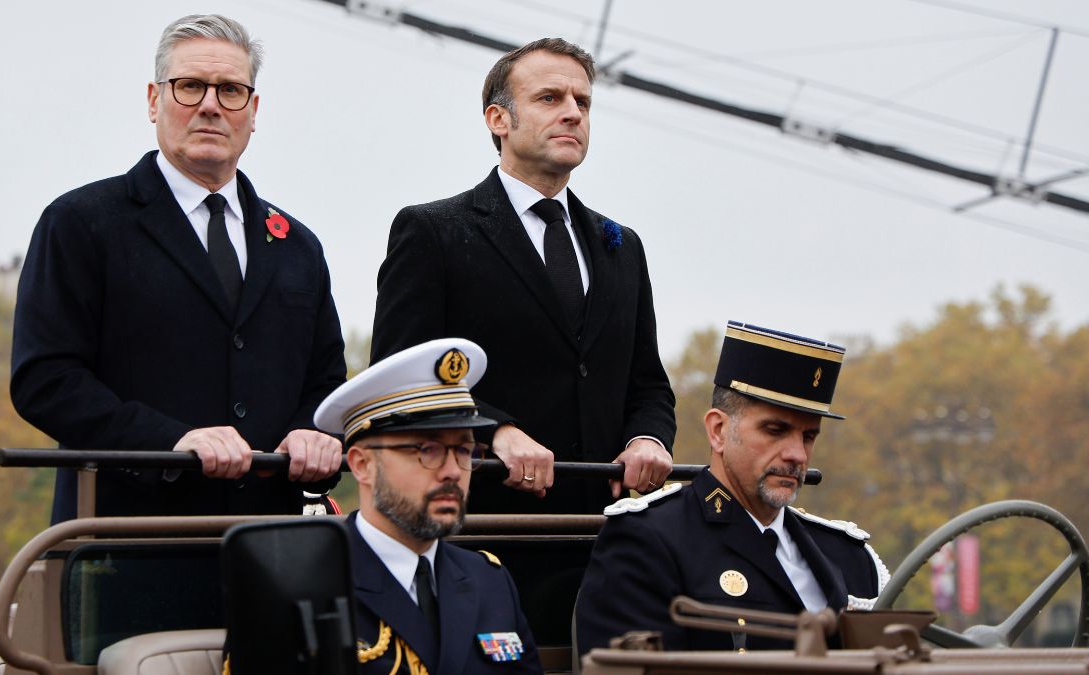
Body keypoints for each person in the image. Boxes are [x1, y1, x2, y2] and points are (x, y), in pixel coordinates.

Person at [10, 14, 346, 524]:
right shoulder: (82, 223)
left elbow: (326, 382)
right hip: (128, 544)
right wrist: (171, 441)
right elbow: (45, 380)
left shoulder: (297, 245)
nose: (210, 105)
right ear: (153, 100)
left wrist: (315, 431)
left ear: (253, 111)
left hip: (272, 548)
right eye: (190, 87)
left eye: (231, 90)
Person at [370, 37, 675, 515]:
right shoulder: (434, 232)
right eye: (550, 98)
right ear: (498, 119)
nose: (573, 113)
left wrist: (648, 438)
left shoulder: (623, 246)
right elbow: (401, 378)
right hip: (483, 528)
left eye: (583, 102)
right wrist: (495, 431)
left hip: (603, 534)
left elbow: (648, 384)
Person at [576, 321, 889, 653]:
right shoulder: (650, 542)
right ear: (718, 431)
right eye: (775, 430)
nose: (797, 454)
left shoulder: (848, 556)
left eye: (808, 436)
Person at [313, 338, 543, 674]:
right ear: (362, 465)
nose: (452, 471)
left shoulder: (488, 581)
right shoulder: (304, 582)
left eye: (464, 451)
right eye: (427, 450)